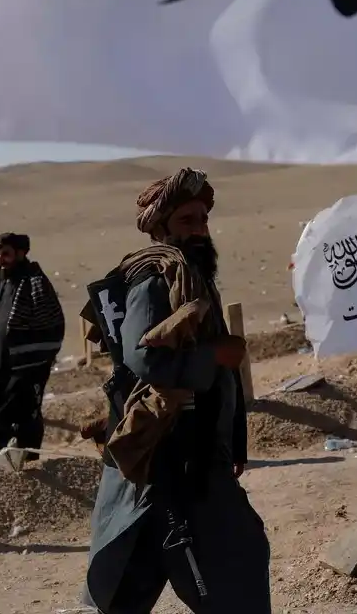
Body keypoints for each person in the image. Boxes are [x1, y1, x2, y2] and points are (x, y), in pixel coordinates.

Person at [80, 167, 269, 614]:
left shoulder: (192, 277)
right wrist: (214, 356)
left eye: (203, 219)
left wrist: (234, 441)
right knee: (219, 567)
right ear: (161, 227)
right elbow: (140, 358)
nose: (201, 228)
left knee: (225, 566)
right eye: (188, 220)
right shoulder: (155, 279)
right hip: (170, 456)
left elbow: (221, 383)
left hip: (199, 456)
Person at [0, 232, 66, 463]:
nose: (0, 260)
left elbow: (52, 324)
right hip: (1, 361)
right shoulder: (0, 282)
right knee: (0, 404)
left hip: (28, 365)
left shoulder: (35, 283)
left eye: (5, 254)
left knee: (25, 410)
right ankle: (5, 459)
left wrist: (31, 356)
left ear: (20, 253)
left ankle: (27, 460)